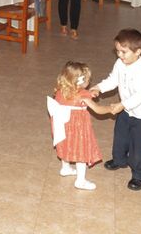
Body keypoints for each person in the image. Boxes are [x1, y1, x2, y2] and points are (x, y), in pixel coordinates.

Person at [90, 29, 141, 191]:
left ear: (138, 51)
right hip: (125, 110)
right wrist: (99, 87)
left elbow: (140, 94)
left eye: (124, 52)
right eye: (117, 51)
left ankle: (139, 175)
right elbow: (113, 80)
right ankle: (119, 160)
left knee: (138, 146)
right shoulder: (120, 63)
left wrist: (122, 105)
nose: (120, 55)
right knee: (120, 136)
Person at [48, 61, 111, 190]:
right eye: (88, 80)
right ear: (80, 81)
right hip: (77, 128)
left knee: (65, 145)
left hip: (63, 126)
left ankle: (65, 168)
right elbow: (98, 109)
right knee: (81, 151)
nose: (89, 82)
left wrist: (89, 95)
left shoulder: (60, 91)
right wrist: (110, 109)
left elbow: (75, 99)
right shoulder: (82, 95)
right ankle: (80, 181)